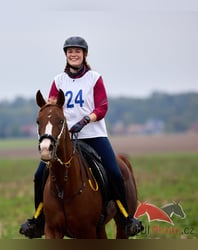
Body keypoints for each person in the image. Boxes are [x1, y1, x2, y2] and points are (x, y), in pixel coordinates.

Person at [19, 36, 144, 238]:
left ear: (84, 55)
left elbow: (102, 106)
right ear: (66, 55)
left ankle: (126, 218)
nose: (73, 54)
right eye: (70, 52)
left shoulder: (94, 78)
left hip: (93, 135)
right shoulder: (58, 80)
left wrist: (86, 120)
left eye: (77, 51)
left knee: (114, 170)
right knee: (39, 174)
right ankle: (38, 220)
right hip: (66, 139)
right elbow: (52, 105)